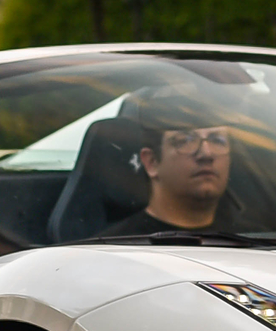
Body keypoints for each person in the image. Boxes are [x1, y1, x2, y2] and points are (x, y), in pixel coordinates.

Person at [101, 101, 242, 236]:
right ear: (152, 162)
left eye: (217, 140)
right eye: (186, 141)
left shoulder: (256, 241)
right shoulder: (112, 251)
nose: (206, 153)